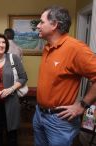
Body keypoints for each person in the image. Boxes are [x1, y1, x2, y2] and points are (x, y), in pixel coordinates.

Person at [33, 6, 96, 146]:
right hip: (39, 114)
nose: (38, 26)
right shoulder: (48, 46)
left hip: (59, 120)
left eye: (41, 22)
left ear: (54, 24)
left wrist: (82, 105)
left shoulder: (76, 49)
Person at [0, 33, 28, 146]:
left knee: (12, 133)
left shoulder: (13, 58)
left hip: (11, 102)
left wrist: (11, 89)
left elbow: (23, 78)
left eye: (3, 42)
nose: (1, 45)